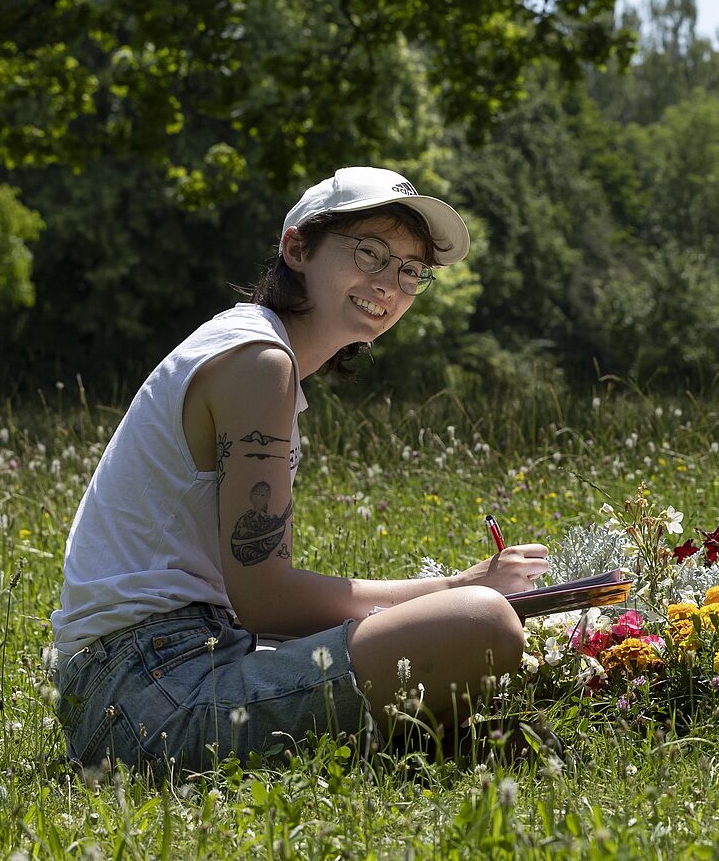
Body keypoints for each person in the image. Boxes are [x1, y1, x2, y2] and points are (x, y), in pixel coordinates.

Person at [51, 166, 548, 776]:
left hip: (155, 671)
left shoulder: (256, 353)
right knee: (481, 622)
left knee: (472, 651)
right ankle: (417, 741)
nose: (389, 283)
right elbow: (267, 599)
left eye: (411, 270)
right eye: (371, 252)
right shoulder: (257, 361)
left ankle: (420, 747)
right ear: (297, 247)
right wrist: (457, 588)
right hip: (147, 691)